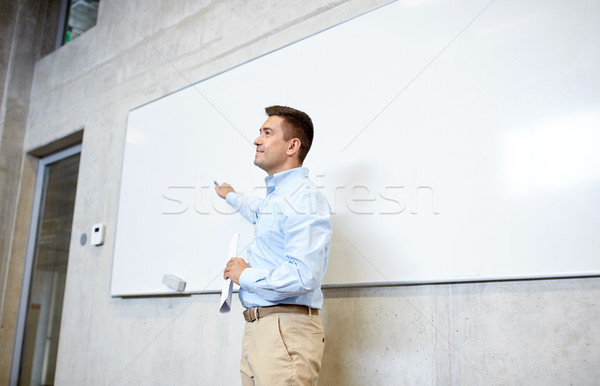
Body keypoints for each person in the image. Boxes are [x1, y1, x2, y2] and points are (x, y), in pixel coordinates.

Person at [215, 105, 332, 385]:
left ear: (292, 145)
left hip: (284, 331)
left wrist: (244, 275)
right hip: (261, 329)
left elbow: (304, 275)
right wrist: (229, 195)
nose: (257, 140)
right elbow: (258, 212)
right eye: (259, 133)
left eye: (267, 133)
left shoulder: (303, 198)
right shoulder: (277, 199)